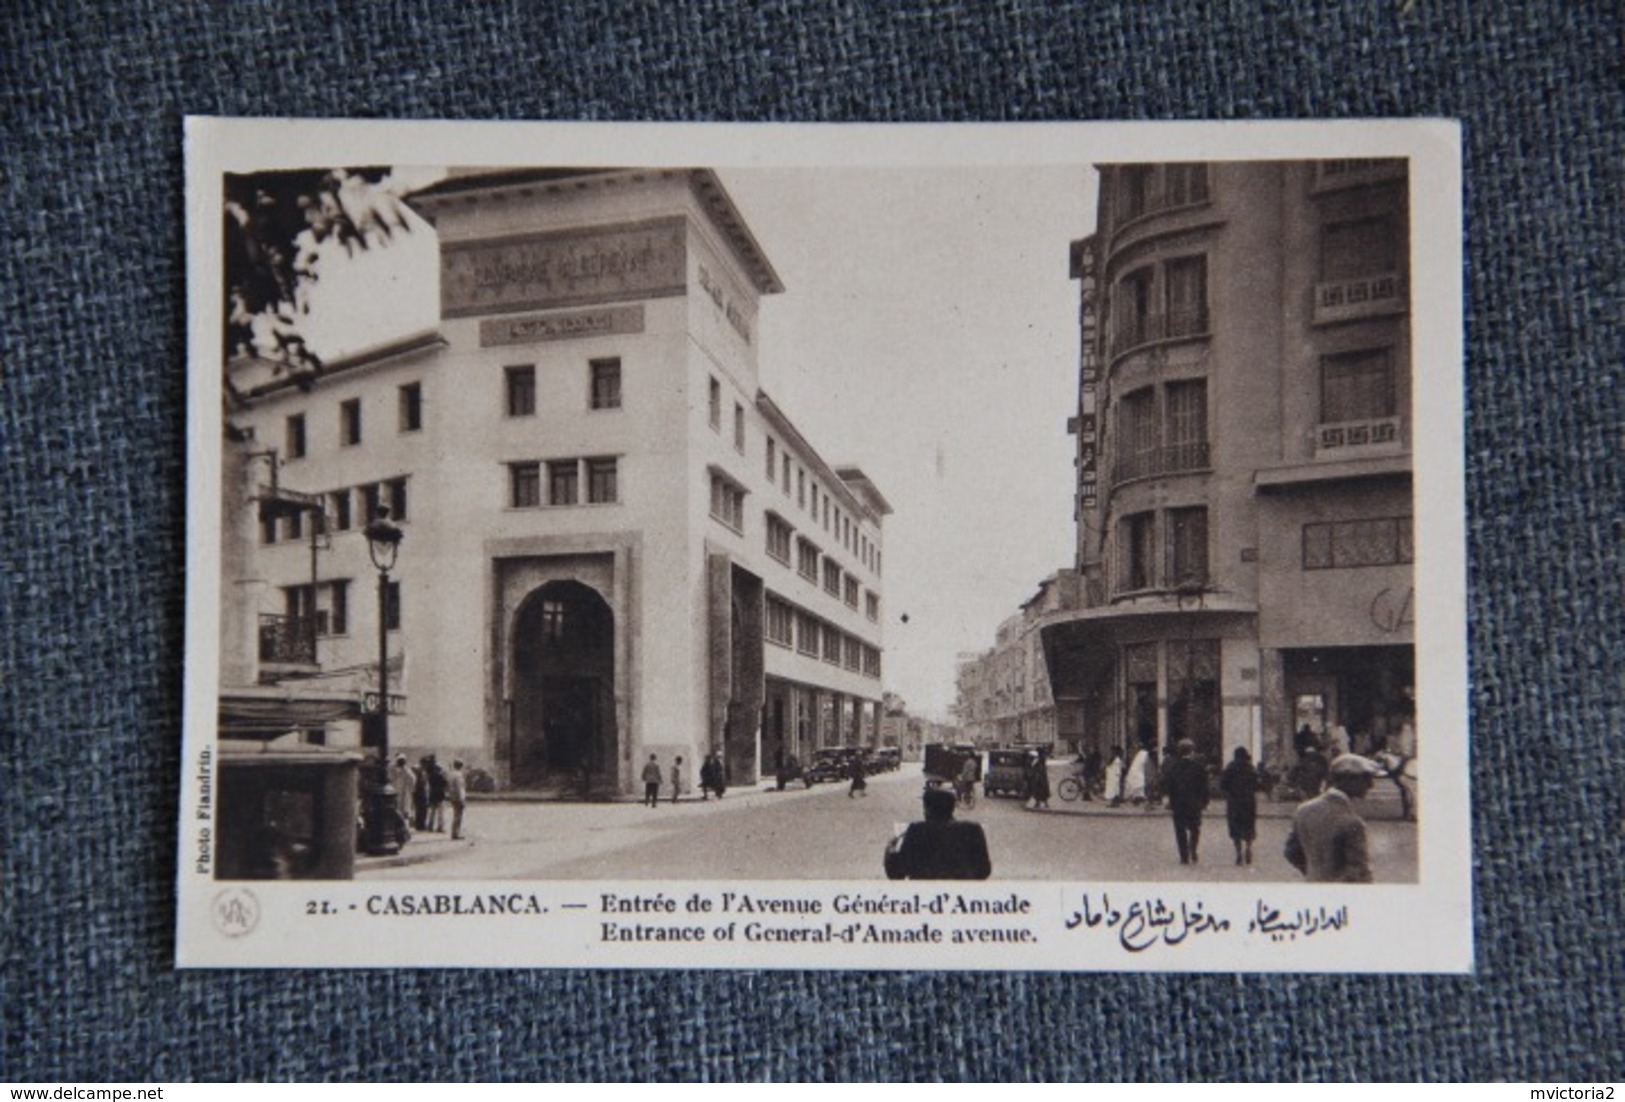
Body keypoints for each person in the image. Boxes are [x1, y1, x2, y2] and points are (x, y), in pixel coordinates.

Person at [1284, 753, 1385, 882]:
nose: (1371, 785)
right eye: (1365, 778)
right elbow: (1359, 872)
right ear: (1347, 780)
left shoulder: (1303, 810)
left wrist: (1315, 872)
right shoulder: (1351, 822)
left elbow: (1291, 852)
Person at [884, 787, 991, 880]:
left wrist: (890, 851)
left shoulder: (916, 830)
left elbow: (897, 874)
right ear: (952, 808)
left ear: (927, 809)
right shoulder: (972, 830)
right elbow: (984, 871)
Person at [1161, 739, 1210, 865]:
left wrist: (1168, 799)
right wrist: (1204, 802)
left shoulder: (1174, 768)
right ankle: (1193, 849)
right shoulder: (1199, 768)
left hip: (1178, 803)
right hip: (1194, 803)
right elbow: (1204, 787)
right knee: (1195, 828)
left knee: (1180, 830)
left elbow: (1168, 785)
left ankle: (1184, 856)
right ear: (1192, 751)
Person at [1219, 746, 1260, 865]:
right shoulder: (1250, 768)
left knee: (1235, 827)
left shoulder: (1230, 768)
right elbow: (1256, 785)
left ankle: (1238, 851)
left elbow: (1223, 785)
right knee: (1248, 825)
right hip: (1248, 801)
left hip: (1234, 801)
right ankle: (1248, 847)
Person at [389, 754, 416, 825]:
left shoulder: (407, 771)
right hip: (394, 792)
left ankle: (403, 827)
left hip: (404, 793)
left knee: (404, 811)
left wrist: (410, 789)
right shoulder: (392, 769)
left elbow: (412, 780)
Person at [446, 758, 468, 840]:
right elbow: (459, 788)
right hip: (458, 797)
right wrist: (461, 798)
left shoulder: (451, 774)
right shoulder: (458, 775)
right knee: (458, 816)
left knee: (456, 815)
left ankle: (454, 832)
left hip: (453, 796)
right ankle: (456, 833)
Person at [425, 754, 447, 832]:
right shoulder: (439, 773)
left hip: (432, 793)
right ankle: (440, 827)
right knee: (440, 812)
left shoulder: (429, 772)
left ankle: (430, 826)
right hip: (440, 794)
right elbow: (444, 782)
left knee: (432, 811)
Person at [413, 756, 432, 831]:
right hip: (420, 791)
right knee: (422, 809)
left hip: (419, 791)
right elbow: (422, 782)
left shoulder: (419, 769)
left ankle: (419, 824)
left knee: (419, 809)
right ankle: (421, 825)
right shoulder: (420, 770)